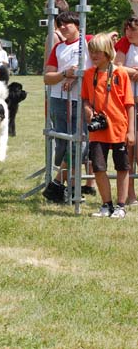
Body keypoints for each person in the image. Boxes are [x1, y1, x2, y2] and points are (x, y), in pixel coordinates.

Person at [82, 33, 134, 218]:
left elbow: (129, 103)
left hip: (119, 128)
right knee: (98, 167)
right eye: (91, 52)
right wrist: (88, 110)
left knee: (122, 167)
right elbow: (86, 99)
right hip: (98, 130)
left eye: (98, 52)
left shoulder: (120, 73)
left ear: (107, 52)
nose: (94, 55)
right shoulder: (89, 74)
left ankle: (121, 206)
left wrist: (131, 131)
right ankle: (106, 205)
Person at [43, 11, 93, 202]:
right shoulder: (58, 48)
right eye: (60, 24)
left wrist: (76, 76)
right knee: (63, 144)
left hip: (82, 100)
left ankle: (57, 184)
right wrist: (65, 74)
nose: (63, 27)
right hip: (59, 99)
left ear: (77, 25)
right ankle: (69, 188)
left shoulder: (88, 43)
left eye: (67, 24)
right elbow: (48, 77)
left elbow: (99, 64)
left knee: (79, 144)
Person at [114, 15, 138, 205]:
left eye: (133, 29)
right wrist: (133, 71)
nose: (128, 33)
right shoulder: (123, 43)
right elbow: (118, 67)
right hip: (128, 102)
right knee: (128, 148)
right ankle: (130, 195)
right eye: (127, 29)